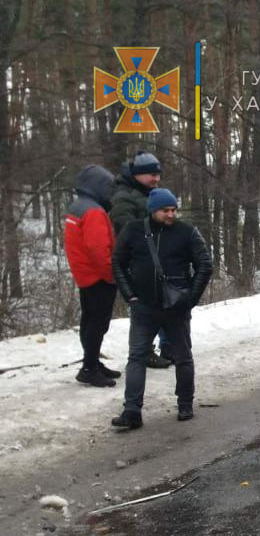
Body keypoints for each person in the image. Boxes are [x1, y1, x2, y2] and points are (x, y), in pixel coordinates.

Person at [109, 188, 213, 429]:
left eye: (174, 209)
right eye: (166, 210)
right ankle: (132, 411)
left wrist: (190, 298)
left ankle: (185, 404)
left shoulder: (186, 232)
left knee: (183, 357)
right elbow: (117, 262)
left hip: (176, 308)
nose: (171, 214)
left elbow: (205, 264)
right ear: (153, 209)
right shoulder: (133, 230)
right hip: (143, 307)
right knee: (136, 357)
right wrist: (130, 295)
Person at [110, 150, 171, 368]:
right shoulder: (123, 196)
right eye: (151, 174)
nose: (156, 178)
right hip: (138, 262)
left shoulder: (150, 193)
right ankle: (142, 351)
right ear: (138, 174)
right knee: (143, 309)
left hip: (157, 258)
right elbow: (127, 231)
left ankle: (167, 347)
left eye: (158, 174)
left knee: (165, 303)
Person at [63, 165, 120, 388]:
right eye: (108, 187)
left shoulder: (77, 207)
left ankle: (92, 362)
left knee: (89, 321)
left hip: (84, 274)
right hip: (98, 277)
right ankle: (89, 368)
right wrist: (111, 275)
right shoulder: (94, 211)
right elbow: (98, 248)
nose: (111, 192)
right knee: (97, 323)